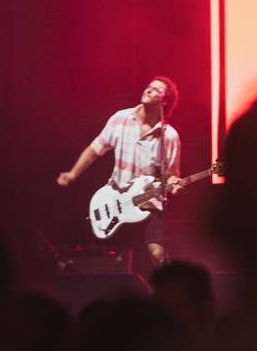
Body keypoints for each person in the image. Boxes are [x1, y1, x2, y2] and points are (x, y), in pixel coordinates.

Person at [57, 77, 182, 268]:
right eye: (149, 86)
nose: (149, 90)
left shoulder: (170, 136)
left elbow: (172, 174)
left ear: (165, 101)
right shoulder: (120, 119)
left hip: (149, 201)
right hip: (116, 199)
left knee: (157, 254)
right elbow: (95, 149)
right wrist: (73, 173)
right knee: (119, 258)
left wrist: (174, 184)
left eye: (156, 90)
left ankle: (167, 290)